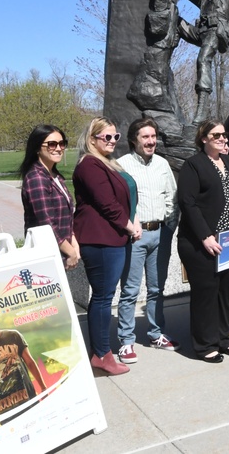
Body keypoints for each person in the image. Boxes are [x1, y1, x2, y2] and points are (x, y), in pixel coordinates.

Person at [177, 120, 229, 363]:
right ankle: (205, 345)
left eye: (224, 135)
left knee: (226, 292)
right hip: (202, 242)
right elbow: (187, 203)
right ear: (204, 138)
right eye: (216, 135)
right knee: (206, 294)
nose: (222, 139)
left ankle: (224, 338)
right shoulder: (194, 165)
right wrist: (205, 236)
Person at [73, 117, 142, 376]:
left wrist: (132, 222)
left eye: (116, 136)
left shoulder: (107, 163)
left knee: (105, 297)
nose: (112, 141)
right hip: (100, 240)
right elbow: (107, 203)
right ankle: (101, 354)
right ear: (92, 139)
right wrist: (129, 226)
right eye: (106, 137)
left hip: (114, 238)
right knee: (102, 298)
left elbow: (124, 199)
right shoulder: (89, 165)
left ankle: (102, 351)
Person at [116, 118, 179, 364]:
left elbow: (172, 198)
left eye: (153, 137)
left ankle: (156, 334)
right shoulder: (121, 166)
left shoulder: (163, 164)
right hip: (135, 237)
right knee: (130, 291)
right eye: (145, 137)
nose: (151, 141)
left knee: (156, 289)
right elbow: (118, 204)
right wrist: (130, 228)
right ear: (134, 139)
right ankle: (126, 341)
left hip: (160, 234)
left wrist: (170, 227)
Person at [19, 125, 80, 270]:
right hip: (46, 255)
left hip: (62, 250)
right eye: (52, 144)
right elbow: (47, 223)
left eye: (62, 143)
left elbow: (67, 216)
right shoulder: (36, 178)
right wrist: (70, 251)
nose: (58, 148)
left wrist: (74, 243)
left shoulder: (55, 176)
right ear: (37, 148)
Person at [0, 304, 47, 420]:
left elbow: (30, 362)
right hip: (6, 411)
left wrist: (43, 387)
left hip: (29, 400)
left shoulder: (13, 336)